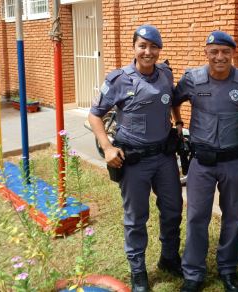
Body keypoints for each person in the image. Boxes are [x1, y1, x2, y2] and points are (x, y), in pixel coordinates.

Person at [88, 25, 183, 292]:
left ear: (159, 50)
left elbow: (172, 98)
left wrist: (178, 122)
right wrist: (107, 147)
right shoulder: (119, 79)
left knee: (173, 209)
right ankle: (138, 269)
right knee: (136, 218)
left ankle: (169, 257)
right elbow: (95, 115)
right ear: (134, 48)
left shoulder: (165, 73)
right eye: (142, 46)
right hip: (135, 162)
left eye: (153, 47)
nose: (148, 52)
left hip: (165, 158)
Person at [172, 30, 238, 292]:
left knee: (233, 218)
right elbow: (173, 99)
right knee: (197, 216)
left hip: (234, 162)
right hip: (202, 163)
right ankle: (193, 273)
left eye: (225, 52)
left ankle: (228, 269)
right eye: (214, 52)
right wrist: (178, 123)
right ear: (206, 53)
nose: (219, 57)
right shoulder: (192, 79)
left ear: (233, 53)